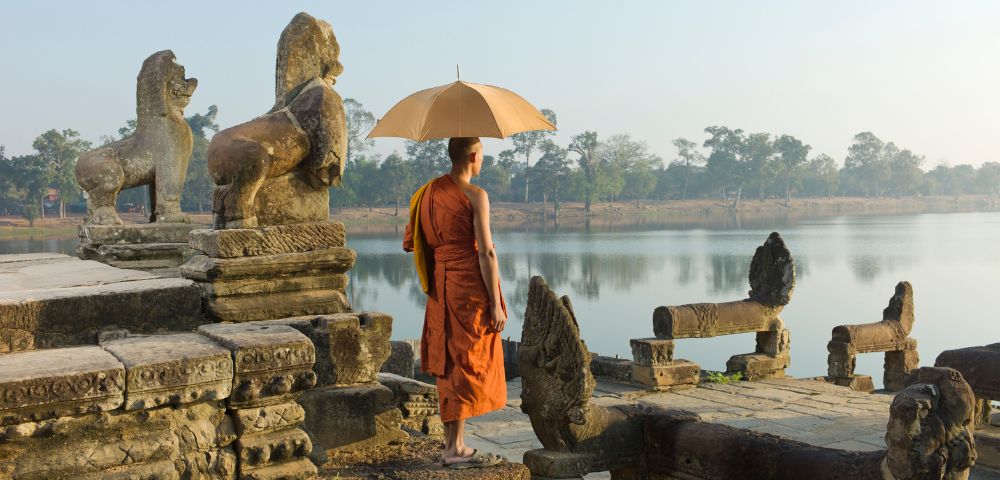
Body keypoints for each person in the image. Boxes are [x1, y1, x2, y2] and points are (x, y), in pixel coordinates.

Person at [403, 137, 507, 469]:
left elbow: (411, 242)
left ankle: (453, 443)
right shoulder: (476, 196)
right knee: (466, 361)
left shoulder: (426, 194)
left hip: (440, 286)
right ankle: (455, 447)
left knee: (448, 360)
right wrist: (495, 303)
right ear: (474, 156)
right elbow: (488, 252)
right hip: (468, 287)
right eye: (482, 156)